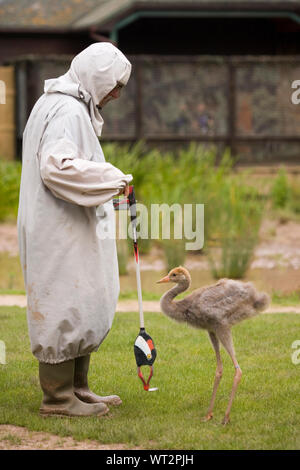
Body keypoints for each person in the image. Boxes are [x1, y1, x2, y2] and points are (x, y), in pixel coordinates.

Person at [17, 43, 133, 418]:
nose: (116, 93)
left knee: (82, 299)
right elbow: (57, 168)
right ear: (97, 77)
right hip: (58, 230)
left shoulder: (61, 105)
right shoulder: (66, 111)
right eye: (114, 84)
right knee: (64, 303)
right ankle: (56, 398)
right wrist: (111, 177)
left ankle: (76, 388)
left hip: (66, 226)